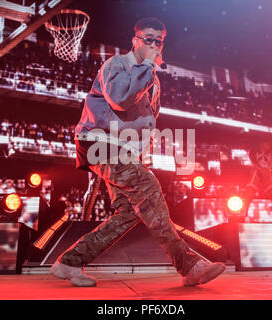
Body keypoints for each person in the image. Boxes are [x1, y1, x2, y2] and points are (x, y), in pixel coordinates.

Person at [50, 17, 225, 287]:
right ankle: (189, 265)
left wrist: (140, 155)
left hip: (125, 149)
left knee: (129, 212)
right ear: (135, 40)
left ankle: (70, 262)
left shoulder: (153, 81)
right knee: (149, 188)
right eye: (149, 39)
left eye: (159, 41)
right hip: (101, 143)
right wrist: (146, 66)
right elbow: (120, 100)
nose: (154, 45)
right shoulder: (116, 65)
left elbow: (147, 122)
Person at [244, 141, 272, 222]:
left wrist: (271, 171)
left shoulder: (271, 155)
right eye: (267, 144)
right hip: (256, 173)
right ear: (262, 143)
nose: (268, 146)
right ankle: (242, 214)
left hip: (267, 175)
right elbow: (251, 163)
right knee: (249, 194)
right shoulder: (253, 151)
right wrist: (260, 170)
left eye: (269, 145)